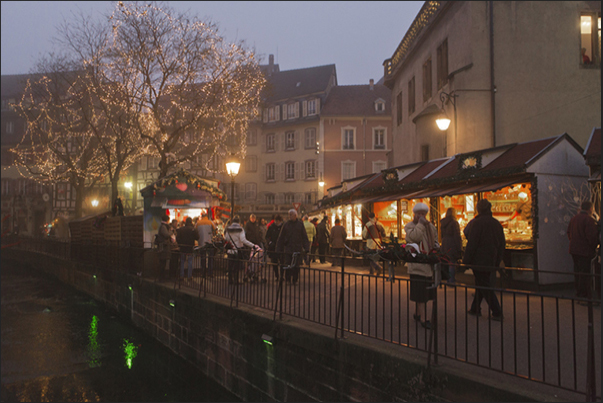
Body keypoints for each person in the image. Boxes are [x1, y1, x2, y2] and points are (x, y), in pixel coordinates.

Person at [463, 199, 505, 321]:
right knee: (482, 284)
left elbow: (472, 243)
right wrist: (498, 260)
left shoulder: (477, 223)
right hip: (491, 259)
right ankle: (475, 308)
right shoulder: (496, 223)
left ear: (478, 209)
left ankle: (497, 311)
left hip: (479, 260)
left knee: (484, 286)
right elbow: (502, 244)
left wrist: (466, 260)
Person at [404, 203, 438, 329]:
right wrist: (420, 225)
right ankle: (424, 318)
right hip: (417, 265)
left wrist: (436, 248)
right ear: (415, 214)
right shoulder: (410, 226)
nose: (421, 216)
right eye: (419, 214)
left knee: (423, 293)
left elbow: (435, 240)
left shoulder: (431, 227)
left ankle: (418, 313)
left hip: (427, 264)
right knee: (421, 293)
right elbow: (414, 237)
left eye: (423, 214)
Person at [567, 201, 600, 299]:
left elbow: (568, 232)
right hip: (584, 250)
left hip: (574, 249)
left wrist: (573, 241)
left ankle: (579, 292)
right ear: (590, 209)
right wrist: (594, 247)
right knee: (585, 273)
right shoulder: (589, 220)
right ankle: (584, 293)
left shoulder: (574, 219)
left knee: (577, 271)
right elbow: (592, 237)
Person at [276, 209, 310, 285]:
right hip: (288, 248)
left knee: (296, 265)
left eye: (291, 214)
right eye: (289, 214)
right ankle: (288, 279)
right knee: (288, 264)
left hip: (297, 248)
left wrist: (306, 248)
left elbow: (304, 237)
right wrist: (278, 248)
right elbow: (281, 237)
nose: (289, 216)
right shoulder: (286, 224)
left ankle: (295, 279)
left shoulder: (300, 224)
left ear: (295, 215)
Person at [224, 216, 260, 285]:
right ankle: (236, 280)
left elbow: (226, 238)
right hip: (238, 250)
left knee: (230, 266)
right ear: (239, 222)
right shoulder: (240, 229)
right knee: (236, 266)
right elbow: (243, 240)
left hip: (230, 250)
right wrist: (253, 245)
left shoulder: (228, 229)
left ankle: (230, 280)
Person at [440, 207, 462, 283]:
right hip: (452, 244)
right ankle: (451, 280)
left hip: (445, 244)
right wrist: (459, 248)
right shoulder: (454, 223)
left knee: (447, 262)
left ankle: (448, 279)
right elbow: (457, 236)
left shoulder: (443, 223)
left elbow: (441, 235)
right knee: (452, 263)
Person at [265, 215, 284, 280]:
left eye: (277, 221)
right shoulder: (272, 227)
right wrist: (270, 243)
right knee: (274, 262)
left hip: (281, 247)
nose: (276, 222)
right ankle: (277, 275)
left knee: (282, 262)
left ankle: (281, 276)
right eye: (276, 221)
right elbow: (267, 236)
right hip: (273, 247)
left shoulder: (283, 227)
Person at [155, 214, 173, 281]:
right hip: (163, 248)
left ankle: (161, 277)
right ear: (167, 220)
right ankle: (161, 277)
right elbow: (166, 235)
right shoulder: (163, 227)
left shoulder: (163, 226)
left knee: (162, 262)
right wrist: (171, 232)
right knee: (162, 262)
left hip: (163, 247)